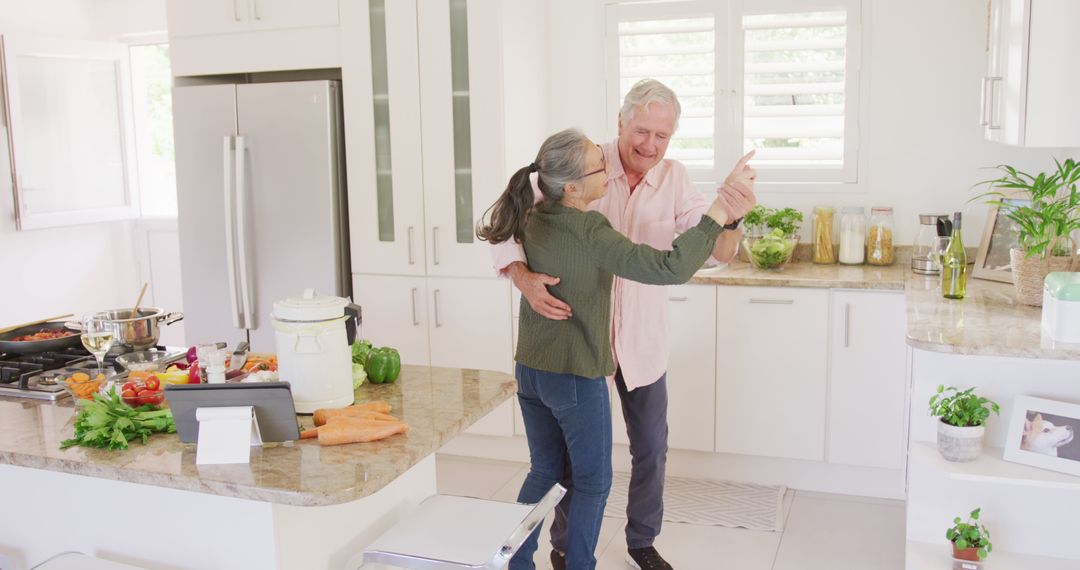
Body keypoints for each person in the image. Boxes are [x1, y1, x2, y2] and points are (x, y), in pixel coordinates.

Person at [490, 79, 757, 570]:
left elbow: (717, 249)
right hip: (581, 346)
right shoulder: (578, 165)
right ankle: (567, 548)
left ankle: (639, 542)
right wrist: (523, 278)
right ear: (620, 123)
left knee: (648, 448)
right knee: (579, 470)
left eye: (663, 135)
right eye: (642, 131)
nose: (650, 145)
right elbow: (505, 229)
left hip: (635, 340)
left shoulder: (674, 179)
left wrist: (730, 216)